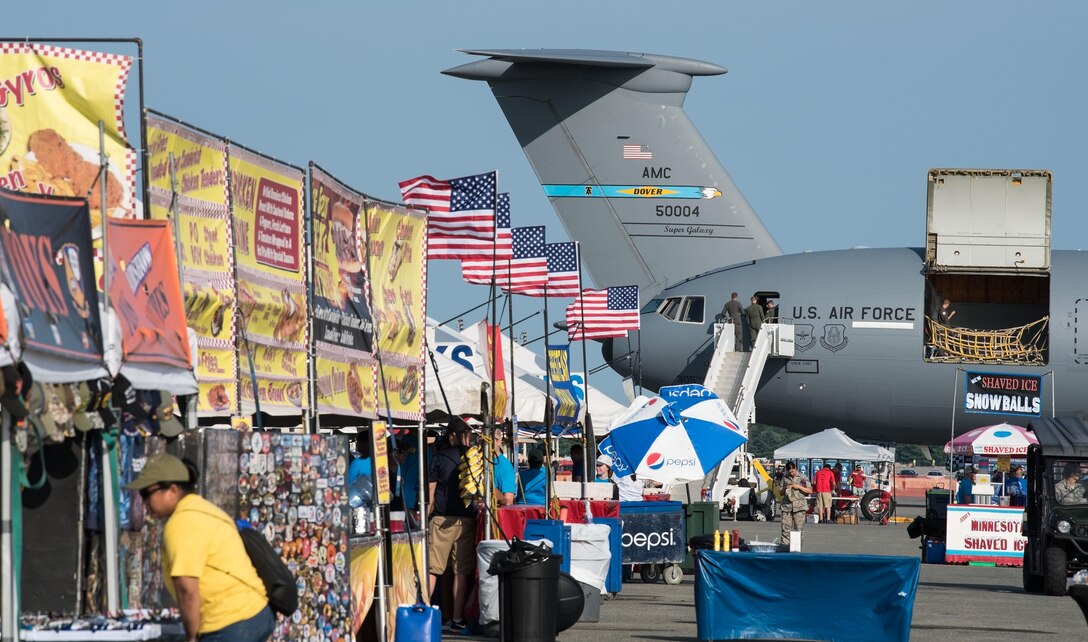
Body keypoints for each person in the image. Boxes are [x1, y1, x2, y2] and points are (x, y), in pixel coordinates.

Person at [124, 455, 273, 642]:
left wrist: (192, 637)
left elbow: (188, 590)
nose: (144, 502)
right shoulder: (205, 509)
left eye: (146, 493)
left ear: (172, 490)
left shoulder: (181, 523)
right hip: (257, 613)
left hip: (229, 623)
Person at [427, 420, 477, 633]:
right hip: (467, 519)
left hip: (441, 519)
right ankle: (457, 618)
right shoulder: (475, 457)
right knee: (461, 571)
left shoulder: (439, 458)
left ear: (450, 435)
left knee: (433, 568)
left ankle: (424, 611)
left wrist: (427, 517)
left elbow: (430, 492)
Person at [778, 462, 812, 548]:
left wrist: (799, 487)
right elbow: (780, 492)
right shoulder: (785, 478)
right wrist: (785, 488)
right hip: (787, 506)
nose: (791, 473)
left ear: (796, 468)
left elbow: (810, 490)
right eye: (789, 472)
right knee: (785, 528)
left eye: (793, 471)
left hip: (799, 506)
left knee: (799, 528)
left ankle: (797, 547)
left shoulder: (803, 477)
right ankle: (785, 546)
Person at [491, 429, 517, 506]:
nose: (487, 442)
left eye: (491, 439)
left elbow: (508, 501)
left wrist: (491, 488)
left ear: (499, 442)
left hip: (494, 515)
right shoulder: (480, 461)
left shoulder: (505, 466)